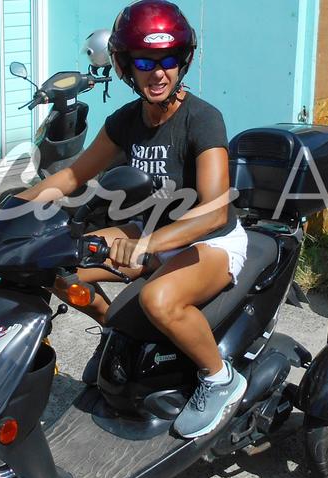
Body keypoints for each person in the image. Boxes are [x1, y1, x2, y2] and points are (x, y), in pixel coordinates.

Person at [17, 0, 248, 439]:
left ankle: (219, 379)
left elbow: (215, 209)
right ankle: (116, 334)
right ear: (126, 65)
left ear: (182, 62)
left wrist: (147, 246)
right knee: (50, 262)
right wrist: (6, 214)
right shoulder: (125, 121)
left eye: (167, 61)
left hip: (213, 240)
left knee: (158, 300)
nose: (157, 73)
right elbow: (71, 175)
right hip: (150, 232)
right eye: (145, 61)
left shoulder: (203, 120)